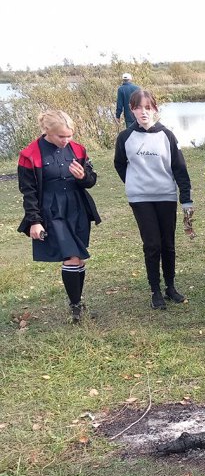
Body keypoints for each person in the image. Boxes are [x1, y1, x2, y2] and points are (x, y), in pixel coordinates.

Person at [18, 110, 101, 323]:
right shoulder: (30, 154)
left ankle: (78, 303)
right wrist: (35, 221)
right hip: (51, 211)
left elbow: (91, 181)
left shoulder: (78, 150)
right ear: (47, 131)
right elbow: (28, 191)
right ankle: (76, 309)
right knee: (71, 255)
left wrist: (83, 177)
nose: (66, 140)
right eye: (61, 136)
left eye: (69, 135)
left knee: (79, 257)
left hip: (77, 208)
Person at [113, 90, 192, 310]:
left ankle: (170, 287)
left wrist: (186, 198)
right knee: (152, 244)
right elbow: (119, 163)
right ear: (132, 110)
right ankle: (155, 290)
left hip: (166, 196)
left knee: (168, 244)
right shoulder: (125, 137)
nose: (143, 112)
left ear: (155, 109)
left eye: (148, 107)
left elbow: (180, 168)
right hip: (140, 199)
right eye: (139, 107)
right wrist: (132, 182)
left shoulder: (166, 135)